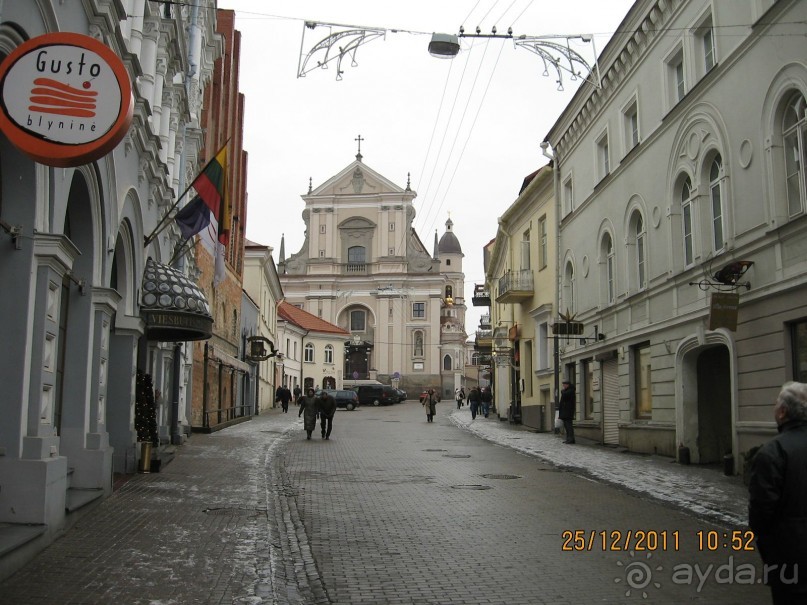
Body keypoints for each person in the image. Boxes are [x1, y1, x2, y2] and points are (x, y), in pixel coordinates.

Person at [748, 381, 807, 604]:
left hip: (789, 557)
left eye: (775, 404)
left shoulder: (772, 452)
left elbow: (760, 514)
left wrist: (770, 552)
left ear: (782, 412)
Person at [558, 379, 576, 444]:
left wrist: (562, 392)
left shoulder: (570, 390)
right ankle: (569, 438)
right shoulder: (567, 390)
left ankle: (571, 439)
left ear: (567, 385)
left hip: (568, 411)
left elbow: (565, 395)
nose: (563, 386)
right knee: (567, 426)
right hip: (565, 411)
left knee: (569, 426)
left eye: (564, 385)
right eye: (563, 385)